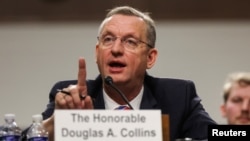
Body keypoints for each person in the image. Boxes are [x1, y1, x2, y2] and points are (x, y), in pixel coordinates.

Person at [21, 5, 216, 141]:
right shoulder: (71, 97)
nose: (116, 49)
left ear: (150, 58)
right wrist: (57, 123)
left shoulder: (178, 96)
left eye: (130, 41)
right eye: (108, 39)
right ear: (97, 53)